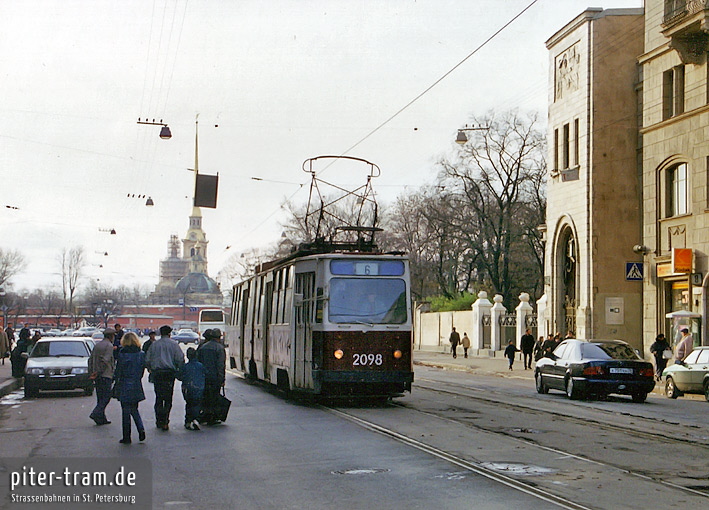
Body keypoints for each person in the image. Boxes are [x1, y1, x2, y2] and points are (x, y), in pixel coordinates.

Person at [145, 325, 185, 431]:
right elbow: (180, 359)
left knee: (159, 397)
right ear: (169, 333)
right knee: (168, 398)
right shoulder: (174, 345)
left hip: (158, 373)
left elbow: (148, 359)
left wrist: (150, 369)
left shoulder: (154, 345)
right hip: (169, 374)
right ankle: (165, 421)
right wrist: (178, 370)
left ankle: (159, 420)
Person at [113, 332, 146, 444]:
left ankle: (127, 436)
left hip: (124, 383)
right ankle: (140, 428)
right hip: (136, 383)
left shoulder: (122, 353)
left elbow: (118, 371)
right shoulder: (141, 354)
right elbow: (142, 370)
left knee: (125, 411)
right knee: (134, 409)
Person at [197, 328, 226, 425]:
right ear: (219, 337)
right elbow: (220, 365)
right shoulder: (219, 348)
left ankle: (205, 415)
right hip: (215, 377)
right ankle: (212, 417)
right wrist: (222, 379)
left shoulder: (203, 347)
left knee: (205, 396)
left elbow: (199, 361)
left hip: (204, 376)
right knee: (214, 396)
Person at [88, 328, 116, 425]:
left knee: (100, 397)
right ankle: (96, 413)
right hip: (105, 374)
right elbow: (106, 360)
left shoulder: (98, 345)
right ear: (111, 336)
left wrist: (92, 371)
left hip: (97, 375)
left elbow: (90, 359)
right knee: (107, 396)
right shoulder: (109, 346)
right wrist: (99, 371)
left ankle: (101, 418)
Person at [182, 347, 205, 431]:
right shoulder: (200, 366)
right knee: (197, 404)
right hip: (199, 388)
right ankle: (196, 419)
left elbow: (180, 376)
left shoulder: (185, 366)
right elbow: (205, 373)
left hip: (188, 388)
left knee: (189, 404)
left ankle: (188, 420)